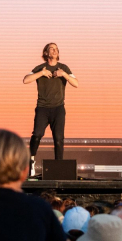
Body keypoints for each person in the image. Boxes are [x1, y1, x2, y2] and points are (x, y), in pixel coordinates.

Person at [22, 42, 78, 175]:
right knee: (37, 135)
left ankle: (58, 167)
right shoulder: (40, 68)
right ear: (46, 53)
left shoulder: (63, 68)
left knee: (58, 139)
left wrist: (63, 74)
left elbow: (76, 83)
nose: (54, 51)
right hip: (43, 108)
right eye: (51, 49)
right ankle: (31, 161)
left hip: (58, 108)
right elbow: (25, 80)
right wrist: (41, 73)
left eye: (56, 49)